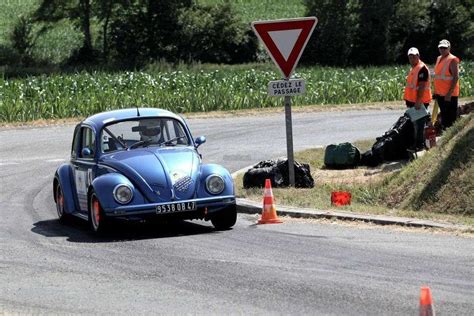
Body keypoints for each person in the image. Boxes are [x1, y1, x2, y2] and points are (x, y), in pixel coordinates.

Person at [403, 47, 431, 150]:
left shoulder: (421, 68)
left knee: (419, 126)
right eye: (410, 57)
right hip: (413, 102)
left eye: (414, 57)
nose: (412, 59)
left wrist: (418, 101)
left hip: (420, 102)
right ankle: (417, 144)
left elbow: (422, 86)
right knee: (416, 125)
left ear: (418, 56)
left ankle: (419, 146)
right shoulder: (414, 68)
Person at [433, 39, 460, 129]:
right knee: (444, 118)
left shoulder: (453, 60)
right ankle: (446, 137)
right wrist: (435, 91)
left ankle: (451, 139)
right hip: (440, 94)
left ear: (449, 48)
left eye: (444, 48)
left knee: (451, 120)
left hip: (449, 95)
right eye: (441, 48)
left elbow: (456, 77)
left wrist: (449, 93)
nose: (442, 50)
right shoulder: (438, 58)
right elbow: (438, 76)